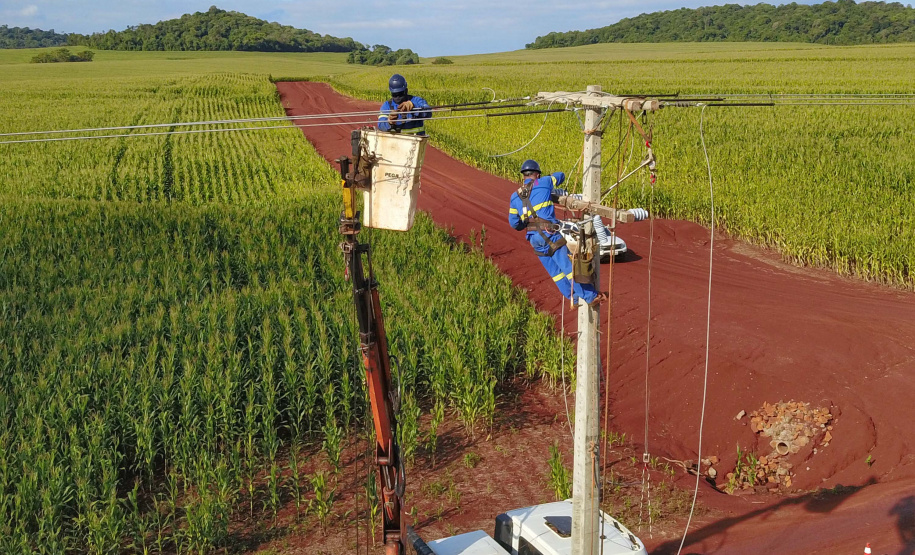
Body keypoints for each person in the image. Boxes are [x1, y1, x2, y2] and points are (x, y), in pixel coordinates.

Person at [508, 159, 607, 306]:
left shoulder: (515, 196)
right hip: (549, 235)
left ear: (523, 175)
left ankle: (573, 297)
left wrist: (527, 220)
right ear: (537, 174)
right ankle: (589, 296)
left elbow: (514, 223)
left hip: (534, 239)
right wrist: (549, 177)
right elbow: (561, 175)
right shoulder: (544, 182)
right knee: (568, 267)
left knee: (556, 273)